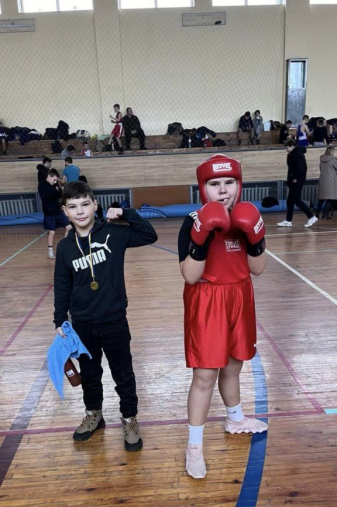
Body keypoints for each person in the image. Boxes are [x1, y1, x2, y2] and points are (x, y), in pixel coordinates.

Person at [178, 154, 268, 479]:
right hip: (207, 300)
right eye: (215, 184)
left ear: (238, 185)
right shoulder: (192, 221)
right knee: (204, 376)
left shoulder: (249, 217)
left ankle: (235, 418)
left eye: (229, 182)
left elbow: (258, 269)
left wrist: (255, 238)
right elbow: (189, 275)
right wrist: (201, 237)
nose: (223, 190)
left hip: (240, 295)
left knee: (234, 365)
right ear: (204, 188)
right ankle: (194, 447)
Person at [54, 180, 158, 445]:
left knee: (123, 373)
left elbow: (149, 235)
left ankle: (129, 419)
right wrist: (59, 320)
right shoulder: (65, 248)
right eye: (73, 206)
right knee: (89, 374)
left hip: (113, 319)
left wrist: (126, 213)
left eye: (85, 204)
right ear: (65, 211)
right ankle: (93, 414)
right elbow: (62, 286)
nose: (80, 211)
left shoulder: (113, 232)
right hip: (82, 323)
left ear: (95, 205)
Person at [277, 139, 318, 228]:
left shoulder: (297, 154)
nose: (286, 149)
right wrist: (289, 155)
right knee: (290, 201)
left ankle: (311, 216)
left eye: (287, 147)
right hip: (293, 181)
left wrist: (295, 178)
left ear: (292, 146)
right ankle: (288, 220)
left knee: (297, 200)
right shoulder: (293, 154)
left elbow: (301, 167)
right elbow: (290, 165)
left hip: (297, 181)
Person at [38, 168, 72, 259]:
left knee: (69, 227)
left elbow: (59, 195)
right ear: (49, 177)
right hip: (49, 212)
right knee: (52, 232)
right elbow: (49, 194)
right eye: (54, 180)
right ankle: (50, 251)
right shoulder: (42, 185)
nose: (55, 181)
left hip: (57, 211)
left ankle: (65, 247)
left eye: (56, 180)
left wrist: (59, 190)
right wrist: (57, 189)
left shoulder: (54, 185)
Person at [315, 146, 337, 219]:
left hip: (322, 180)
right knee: (329, 199)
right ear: (332, 152)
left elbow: (320, 169)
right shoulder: (333, 160)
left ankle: (316, 215)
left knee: (321, 199)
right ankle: (325, 215)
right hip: (331, 181)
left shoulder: (321, 160)